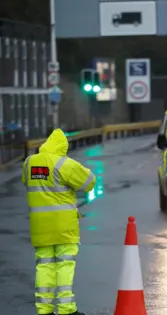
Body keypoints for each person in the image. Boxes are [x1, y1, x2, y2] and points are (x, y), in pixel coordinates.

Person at [22, 128, 96, 315]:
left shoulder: (30, 162)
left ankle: (44, 309)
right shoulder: (63, 164)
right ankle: (66, 309)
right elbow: (89, 183)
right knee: (64, 265)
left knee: (44, 266)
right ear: (63, 147)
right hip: (64, 227)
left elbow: (26, 181)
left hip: (40, 227)